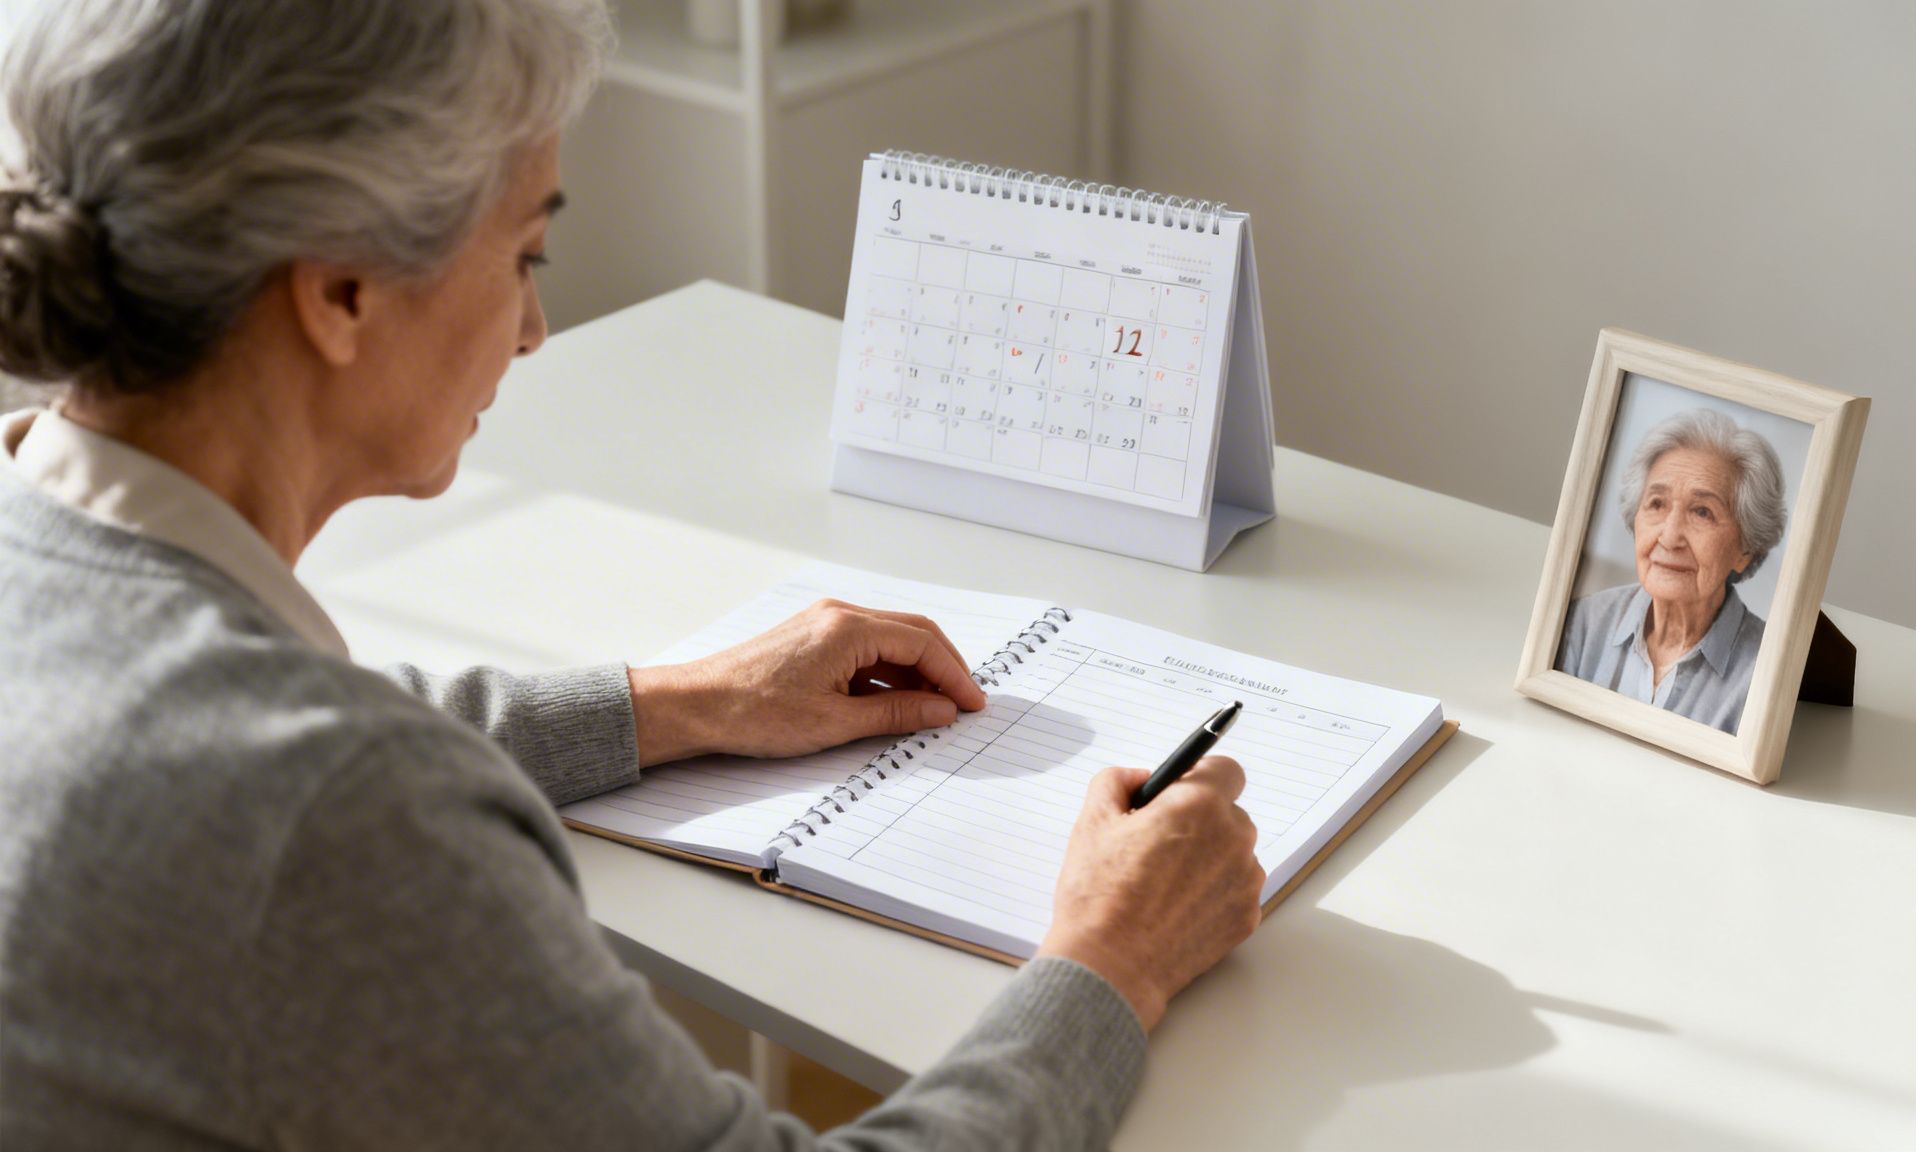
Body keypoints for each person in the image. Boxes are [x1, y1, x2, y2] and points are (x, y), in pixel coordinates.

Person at [0, 2, 1265, 1148]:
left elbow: (247, 738)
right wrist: (1111, 956)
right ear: (338, 291)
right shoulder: (339, 818)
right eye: (524, 257)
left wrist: (682, 702)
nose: (536, 329)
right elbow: (311, 788)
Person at [1555, 407, 1788, 735]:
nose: (1669, 536)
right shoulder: (1581, 624)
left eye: (1702, 512)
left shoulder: (1768, 674)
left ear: (1746, 549)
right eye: (1657, 504)